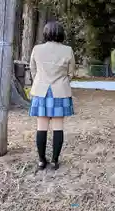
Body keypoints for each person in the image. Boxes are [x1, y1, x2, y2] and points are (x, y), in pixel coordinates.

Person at [29, 21, 76, 170]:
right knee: (58, 127)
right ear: (61, 34)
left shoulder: (37, 49)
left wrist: (40, 81)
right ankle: (55, 160)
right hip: (60, 91)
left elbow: (33, 69)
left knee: (41, 126)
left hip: (41, 91)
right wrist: (62, 82)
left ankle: (42, 160)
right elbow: (71, 73)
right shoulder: (68, 50)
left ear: (45, 33)